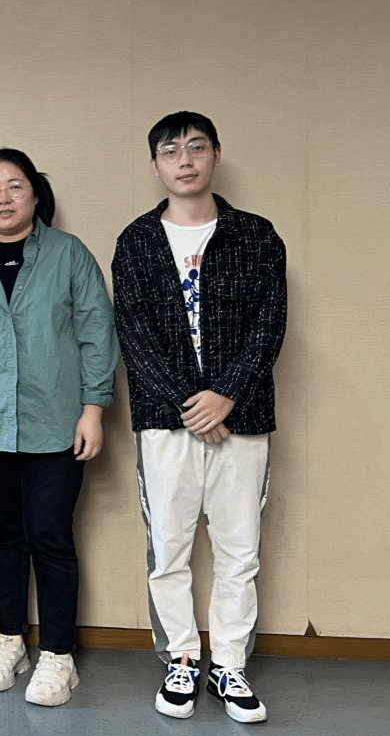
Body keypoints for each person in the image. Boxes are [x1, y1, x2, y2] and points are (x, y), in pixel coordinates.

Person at [112, 112, 286, 724]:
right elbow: (133, 332)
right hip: (165, 421)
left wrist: (227, 395)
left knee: (240, 550)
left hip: (244, 417)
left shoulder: (256, 235)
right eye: (170, 150)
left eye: (195, 147)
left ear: (215, 154)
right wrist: (194, 404)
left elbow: (270, 322)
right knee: (169, 547)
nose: (184, 160)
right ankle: (182, 658)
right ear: (155, 164)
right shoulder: (136, 240)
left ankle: (230, 664)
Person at [0, 148, 118, 708]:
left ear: (35, 194)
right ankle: (11, 640)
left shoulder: (69, 254)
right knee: (4, 535)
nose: (3, 198)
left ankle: (59, 654)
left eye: (15, 186)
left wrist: (94, 408)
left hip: (57, 422)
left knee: (51, 535)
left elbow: (97, 333)